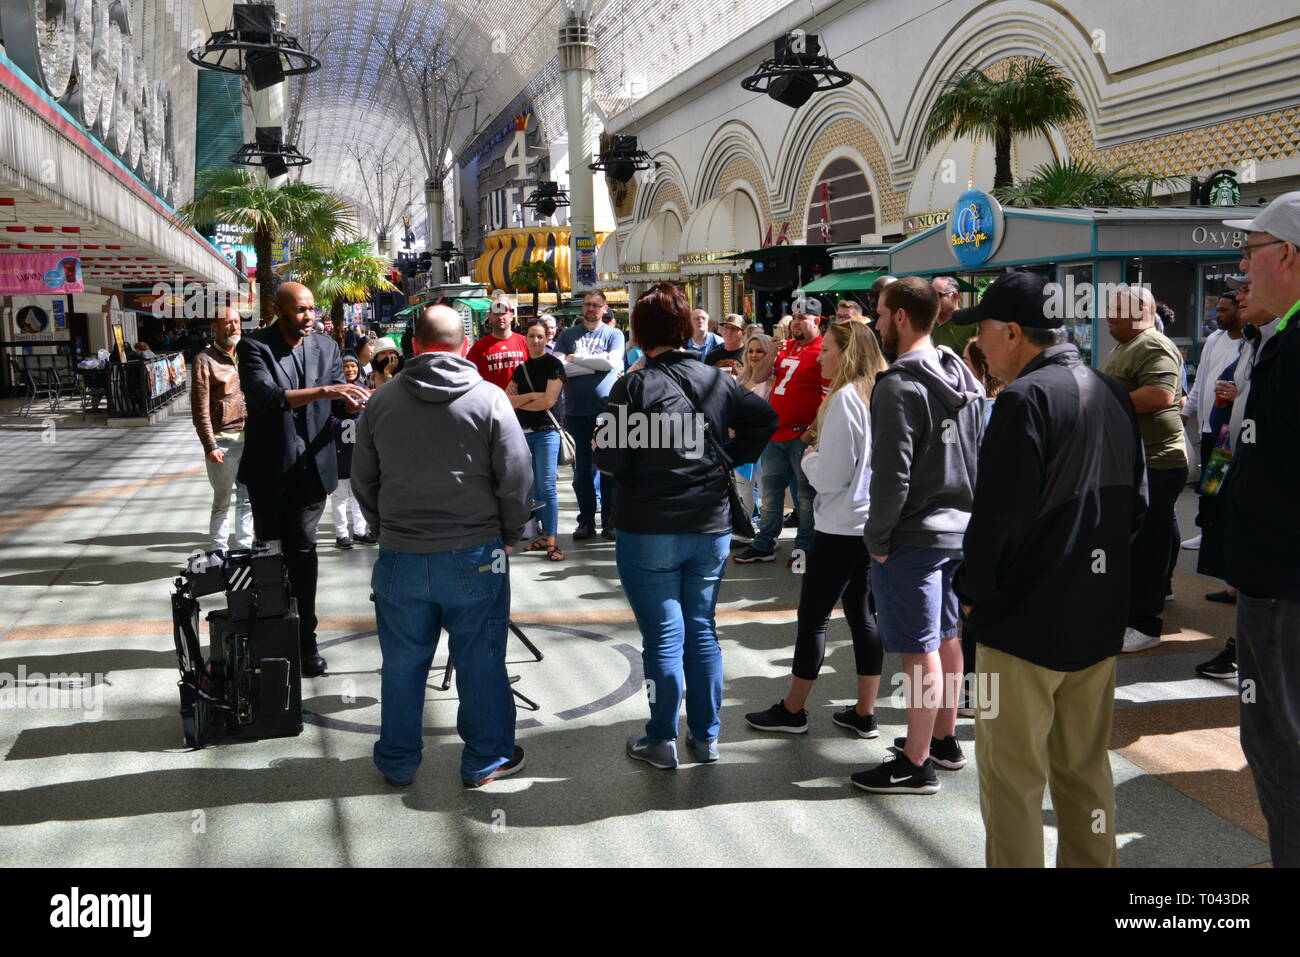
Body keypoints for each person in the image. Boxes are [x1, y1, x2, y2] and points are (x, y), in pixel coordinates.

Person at [947, 271, 1144, 866]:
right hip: (1097, 618)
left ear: (1013, 332)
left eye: (981, 332)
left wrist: (974, 594)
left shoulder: (1024, 400)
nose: (978, 346)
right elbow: (1137, 506)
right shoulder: (1109, 391)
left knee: (1012, 781)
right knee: (1086, 772)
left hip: (1024, 623)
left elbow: (997, 519)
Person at [351, 304, 534, 789]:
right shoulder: (491, 399)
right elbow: (516, 476)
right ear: (462, 346)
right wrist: (511, 533)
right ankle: (484, 759)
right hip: (476, 554)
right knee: (481, 660)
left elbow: (362, 480)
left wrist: (385, 524)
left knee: (403, 663)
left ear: (413, 346)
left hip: (400, 556)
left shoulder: (380, 403)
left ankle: (397, 760)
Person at [594, 283, 777, 767]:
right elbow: (764, 420)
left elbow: (609, 459)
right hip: (709, 522)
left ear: (639, 331)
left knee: (662, 637)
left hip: (649, 524)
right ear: (681, 328)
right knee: (701, 629)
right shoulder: (717, 378)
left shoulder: (632, 385)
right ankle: (707, 735)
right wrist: (727, 461)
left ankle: (661, 738)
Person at [852, 275, 984, 795]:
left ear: (902, 317)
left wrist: (878, 540)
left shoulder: (899, 385)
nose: (877, 322)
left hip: (913, 537)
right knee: (948, 637)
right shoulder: (961, 373)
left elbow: (892, 476)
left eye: (881, 313)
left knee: (919, 649)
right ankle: (944, 740)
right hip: (958, 529)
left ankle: (915, 760)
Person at [745, 322, 887, 737]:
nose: (820, 356)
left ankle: (793, 710)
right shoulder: (877, 394)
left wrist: (810, 458)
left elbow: (831, 476)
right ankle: (864, 712)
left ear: (846, 353)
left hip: (841, 524)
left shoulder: (845, 400)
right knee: (863, 614)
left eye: (827, 349)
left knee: (814, 617)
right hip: (868, 520)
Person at [1219, 192, 1300, 866]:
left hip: (1283, 592)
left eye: (1250, 252)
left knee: (1280, 750)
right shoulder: (1281, 341)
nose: (1242, 268)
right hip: (1274, 586)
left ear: (1289, 256)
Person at [237, 282, 369, 677]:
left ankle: (305, 640)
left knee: (304, 554)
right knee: (270, 554)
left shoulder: (326, 347)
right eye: (299, 310)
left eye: (312, 309)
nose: (308, 316)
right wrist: (327, 390)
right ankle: (272, 632)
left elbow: (332, 403)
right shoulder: (253, 347)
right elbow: (268, 397)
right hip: (269, 471)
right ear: (277, 309)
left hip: (312, 469)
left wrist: (346, 399)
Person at [1098, 284, 1188, 653]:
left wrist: (1099, 400)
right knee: (1155, 530)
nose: (1109, 318)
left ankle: (1144, 624)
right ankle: (1153, 595)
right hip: (1140, 457)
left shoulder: (1151, 344)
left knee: (1147, 541)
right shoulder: (1129, 345)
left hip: (1155, 458)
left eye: (1117, 311)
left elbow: (1160, 395)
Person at [734, 303, 826, 566]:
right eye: (794, 318)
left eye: (803, 318)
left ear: (816, 320)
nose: (796, 322)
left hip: (802, 435)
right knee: (771, 495)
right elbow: (759, 376)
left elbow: (827, 395)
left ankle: (804, 547)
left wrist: (812, 432)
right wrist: (772, 351)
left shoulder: (821, 350)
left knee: (805, 498)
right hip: (776, 434)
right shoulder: (786, 348)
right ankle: (764, 544)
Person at [553, 289, 625, 540]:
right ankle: (585, 521)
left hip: (607, 412)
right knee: (581, 472)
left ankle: (610, 522)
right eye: (587, 305)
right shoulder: (568, 335)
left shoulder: (614, 334)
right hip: (575, 413)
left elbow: (611, 363)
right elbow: (560, 367)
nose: (591, 309)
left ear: (605, 309)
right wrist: (596, 362)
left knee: (608, 470)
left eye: (596, 305)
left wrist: (578, 359)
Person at [1180, 292, 1244, 550]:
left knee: (1223, 484)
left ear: (1240, 311)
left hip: (1229, 429)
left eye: (1224, 310)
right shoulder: (1214, 340)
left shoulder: (1248, 343)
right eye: (1217, 310)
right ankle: (1207, 531)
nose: (1218, 315)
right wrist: (1186, 415)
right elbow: (1201, 383)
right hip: (1208, 428)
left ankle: (1221, 534)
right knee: (1209, 485)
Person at [191, 306, 253, 553]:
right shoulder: (204, 361)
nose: (234, 327)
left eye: (237, 322)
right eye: (227, 322)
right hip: (223, 442)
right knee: (222, 500)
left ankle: (245, 548)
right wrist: (209, 444)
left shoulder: (247, 356)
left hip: (251, 439)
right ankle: (219, 551)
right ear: (214, 327)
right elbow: (200, 409)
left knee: (247, 499)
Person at [506, 318, 567, 561]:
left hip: (546, 432)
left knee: (548, 487)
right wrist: (532, 395)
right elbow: (507, 401)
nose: (535, 341)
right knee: (534, 489)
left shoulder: (554, 365)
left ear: (547, 338)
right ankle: (543, 536)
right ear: (526, 338)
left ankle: (552, 541)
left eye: (540, 336)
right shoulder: (521, 369)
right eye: (531, 336)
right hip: (524, 433)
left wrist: (523, 400)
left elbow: (549, 402)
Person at [328, 352, 375, 549]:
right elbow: (326, 419)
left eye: (353, 366)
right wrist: (343, 424)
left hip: (359, 453)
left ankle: (360, 531)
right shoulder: (333, 393)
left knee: (357, 495)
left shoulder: (364, 390)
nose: (350, 370)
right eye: (345, 367)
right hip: (339, 453)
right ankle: (341, 534)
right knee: (339, 497)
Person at [466, 296, 527, 389]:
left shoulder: (526, 342)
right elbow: (469, 377)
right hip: (492, 401)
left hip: (523, 400)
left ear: (511, 315)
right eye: (496, 313)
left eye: (503, 313)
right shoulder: (478, 348)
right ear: (490, 316)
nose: (500, 317)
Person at [930, 276, 976, 355]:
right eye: (930, 295)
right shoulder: (925, 323)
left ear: (954, 296)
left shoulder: (971, 324)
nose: (933, 299)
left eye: (938, 295)